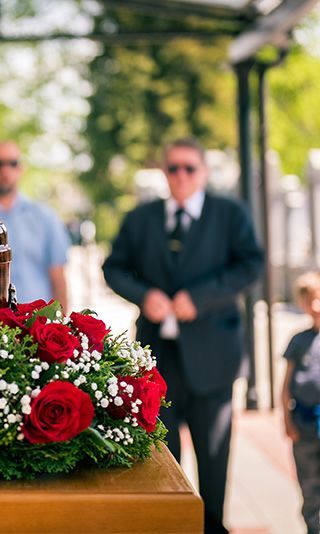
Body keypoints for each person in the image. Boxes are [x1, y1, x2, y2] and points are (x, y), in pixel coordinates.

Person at [102, 137, 264, 533]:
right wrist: (145, 295)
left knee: (213, 458)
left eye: (189, 168)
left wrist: (202, 298)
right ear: (164, 172)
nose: (181, 175)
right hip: (158, 360)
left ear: (204, 172)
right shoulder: (141, 218)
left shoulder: (229, 214)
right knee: (163, 457)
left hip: (214, 356)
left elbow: (251, 265)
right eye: (173, 168)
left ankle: (212, 526)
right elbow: (114, 268)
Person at [0, 141, 69, 309]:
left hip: (38, 325)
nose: (5, 170)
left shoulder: (45, 217)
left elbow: (58, 276)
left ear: (21, 168)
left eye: (12, 163)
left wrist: (62, 325)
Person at [281, 271, 320, 534]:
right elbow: (285, 387)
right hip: (305, 423)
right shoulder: (299, 340)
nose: (315, 306)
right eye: (309, 300)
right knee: (310, 485)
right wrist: (286, 420)